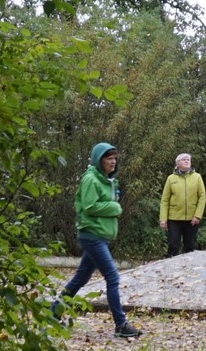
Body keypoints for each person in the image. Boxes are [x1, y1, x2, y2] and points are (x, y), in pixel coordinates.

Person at [51, 141, 142, 337]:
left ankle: (52, 314)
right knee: (113, 277)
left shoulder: (106, 180)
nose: (113, 162)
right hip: (91, 236)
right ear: (98, 160)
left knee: (80, 279)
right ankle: (120, 325)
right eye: (109, 159)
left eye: (115, 159)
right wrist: (115, 208)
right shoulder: (90, 179)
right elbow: (90, 206)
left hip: (100, 235)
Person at [159, 152, 206, 256]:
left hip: (192, 219)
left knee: (189, 247)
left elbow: (202, 197)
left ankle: (188, 271)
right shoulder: (171, 178)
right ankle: (171, 268)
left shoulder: (197, 177)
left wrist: (197, 216)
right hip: (174, 218)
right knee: (173, 245)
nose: (186, 161)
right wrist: (163, 218)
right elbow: (165, 200)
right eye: (183, 159)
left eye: (188, 159)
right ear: (177, 164)